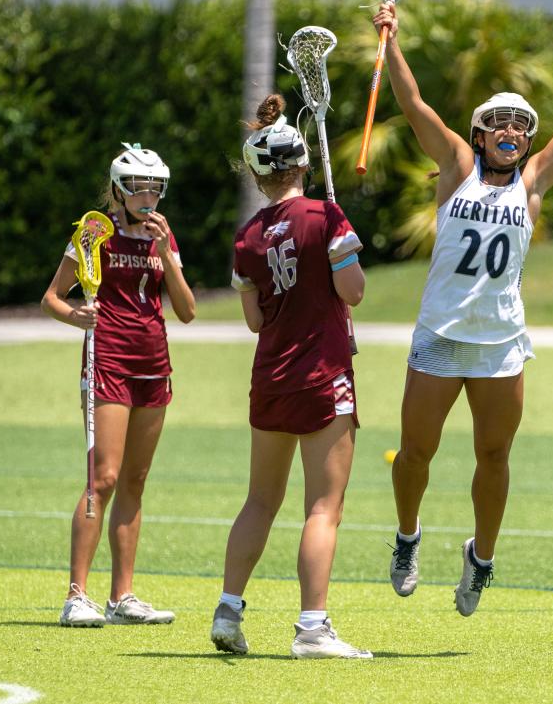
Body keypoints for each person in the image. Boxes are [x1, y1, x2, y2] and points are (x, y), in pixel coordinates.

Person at [373, 1, 553, 616]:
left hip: (499, 340)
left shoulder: (533, 183)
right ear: (479, 133)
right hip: (441, 333)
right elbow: (415, 107)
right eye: (498, 121)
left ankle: (482, 559)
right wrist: (391, 44)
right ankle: (407, 536)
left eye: (520, 124)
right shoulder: (456, 168)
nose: (510, 130)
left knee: (493, 455)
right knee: (415, 453)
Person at [209, 94, 370, 660]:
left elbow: (255, 320)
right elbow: (353, 293)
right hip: (323, 375)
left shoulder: (248, 235)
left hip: (270, 379)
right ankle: (312, 628)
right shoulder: (327, 217)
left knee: (260, 501)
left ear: (258, 175)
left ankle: (229, 609)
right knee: (323, 507)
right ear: (302, 163)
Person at [41, 142, 196, 627]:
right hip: (106, 362)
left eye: (155, 187)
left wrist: (167, 252)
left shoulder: (162, 239)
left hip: (154, 365)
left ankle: (122, 597)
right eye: (139, 187)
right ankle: (76, 596)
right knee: (102, 478)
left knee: (135, 481)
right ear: (119, 189)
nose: (148, 196)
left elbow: (188, 311)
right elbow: (51, 297)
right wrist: (76, 316)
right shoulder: (94, 233)